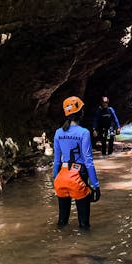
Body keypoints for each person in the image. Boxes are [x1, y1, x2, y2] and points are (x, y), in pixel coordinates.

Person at [53, 96, 100, 231]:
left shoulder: (58, 133)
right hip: (77, 177)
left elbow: (56, 160)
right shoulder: (84, 133)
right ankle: (84, 248)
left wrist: (55, 179)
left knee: (62, 222)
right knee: (84, 225)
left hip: (61, 177)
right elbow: (88, 161)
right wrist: (95, 185)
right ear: (80, 113)